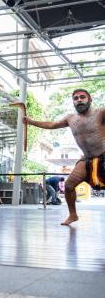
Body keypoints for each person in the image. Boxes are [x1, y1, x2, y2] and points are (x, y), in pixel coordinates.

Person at [23, 89, 105, 225]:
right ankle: (73, 215)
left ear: (90, 99)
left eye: (82, 97)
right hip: (86, 159)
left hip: (104, 155)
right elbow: (52, 124)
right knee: (69, 185)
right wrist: (31, 122)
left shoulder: (101, 113)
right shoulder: (70, 118)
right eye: (76, 98)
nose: (79, 100)